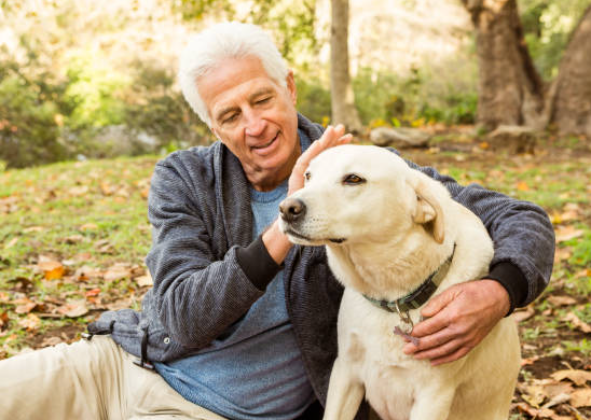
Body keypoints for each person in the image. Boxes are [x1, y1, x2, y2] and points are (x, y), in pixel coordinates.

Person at [0, 22, 554, 420]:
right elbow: (183, 315)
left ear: (288, 87)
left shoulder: (367, 177)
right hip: (118, 368)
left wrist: (498, 291)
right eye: (230, 116)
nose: (255, 126)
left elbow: (521, 216)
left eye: (262, 99)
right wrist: (285, 227)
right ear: (213, 128)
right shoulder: (185, 178)